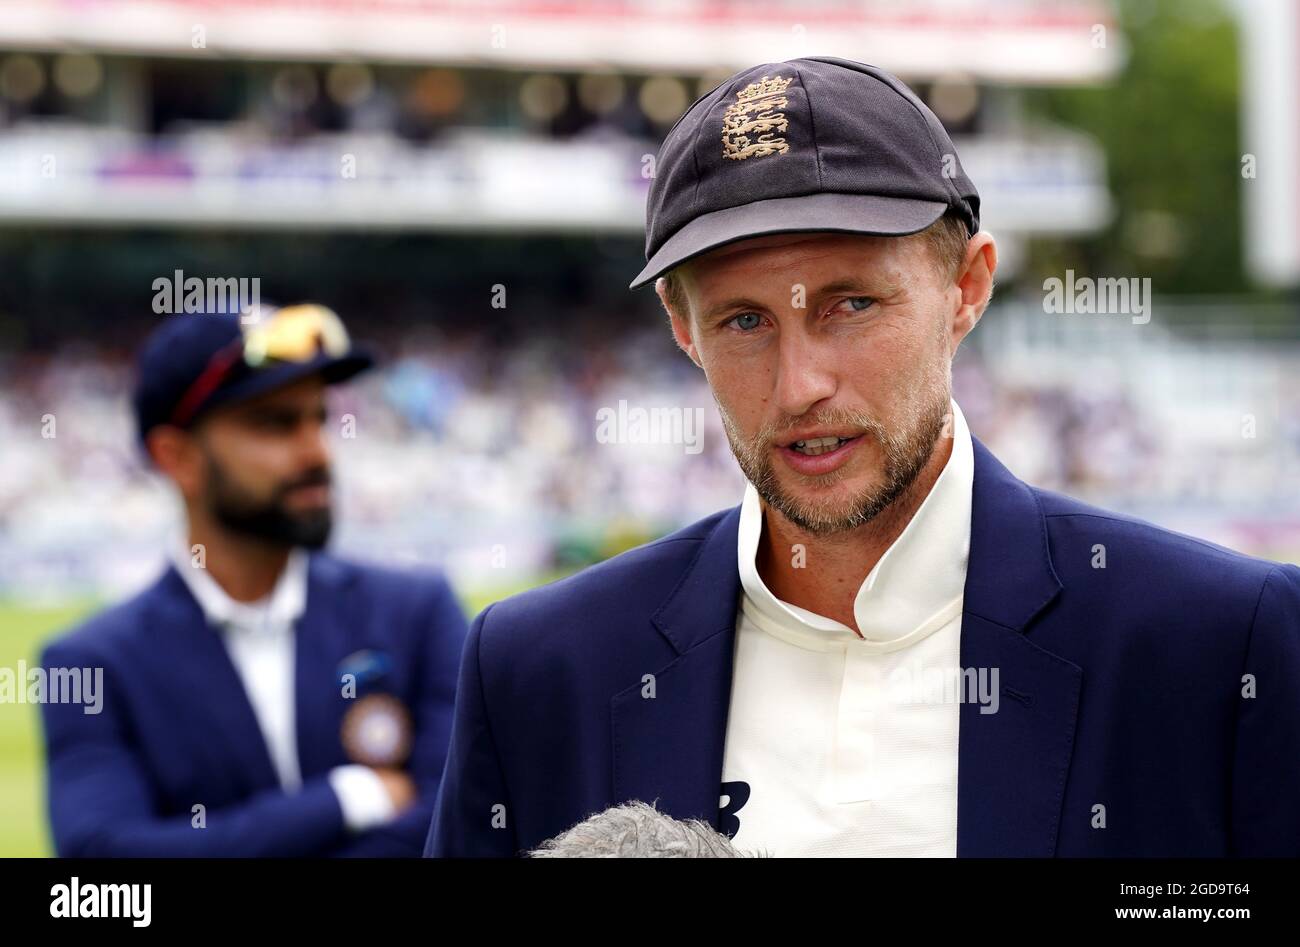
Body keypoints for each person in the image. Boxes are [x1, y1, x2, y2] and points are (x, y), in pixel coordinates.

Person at [428, 58, 1300, 857]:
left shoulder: (1222, 644)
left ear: (967, 287)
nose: (799, 384)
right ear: (681, 328)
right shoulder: (536, 671)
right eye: (744, 321)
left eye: (849, 304)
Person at [41, 304, 468, 856]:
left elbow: (464, 824)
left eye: (319, 418)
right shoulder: (92, 663)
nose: (316, 451)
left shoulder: (418, 613)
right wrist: (347, 796)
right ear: (177, 458)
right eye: (275, 423)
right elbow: (102, 872)